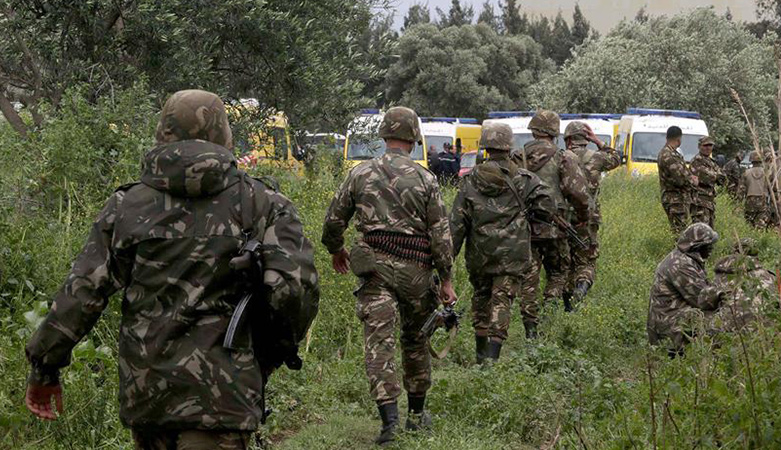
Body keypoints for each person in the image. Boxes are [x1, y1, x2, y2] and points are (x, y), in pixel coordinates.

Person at [24, 90, 320, 449]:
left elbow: (83, 291)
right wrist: (268, 357)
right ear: (224, 135)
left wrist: (45, 367)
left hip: (149, 394)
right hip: (225, 394)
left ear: (163, 132)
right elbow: (294, 292)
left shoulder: (126, 205)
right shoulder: (263, 203)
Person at [321, 106, 457, 445]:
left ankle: (389, 423)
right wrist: (446, 279)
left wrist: (337, 249)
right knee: (416, 340)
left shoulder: (360, 173)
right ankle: (416, 417)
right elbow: (441, 236)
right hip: (417, 274)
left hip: (374, 272)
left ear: (384, 135)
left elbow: (333, 220)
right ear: (414, 138)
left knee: (379, 342)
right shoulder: (426, 179)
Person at [450, 122, 556, 363]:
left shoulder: (469, 181)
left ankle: (480, 357)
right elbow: (548, 206)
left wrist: (447, 260)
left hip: (480, 253)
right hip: (512, 254)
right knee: (502, 301)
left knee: (481, 298)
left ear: (485, 147)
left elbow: (457, 223)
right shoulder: (524, 179)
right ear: (509, 146)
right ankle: (492, 358)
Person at [513, 110, 591, 337]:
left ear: (533, 130)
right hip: (556, 229)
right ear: (555, 132)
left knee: (529, 278)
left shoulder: (517, 157)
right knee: (558, 273)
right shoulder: (564, 157)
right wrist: (582, 217)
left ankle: (530, 329)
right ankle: (549, 313)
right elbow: (578, 193)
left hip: (525, 229)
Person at [562, 121, 621, 304]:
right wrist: (599, 141)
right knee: (587, 261)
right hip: (588, 219)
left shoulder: (561, 158)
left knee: (566, 262)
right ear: (586, 139)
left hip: (563, 219)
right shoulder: (596, 158)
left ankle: (566, 303)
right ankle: (581, 288)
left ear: (568, 139)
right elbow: (617, 158)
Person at [647, 223, 725, 353]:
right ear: (697, 246)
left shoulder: (684, 258)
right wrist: (728, 295)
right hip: (670, 328)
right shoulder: (681, 265)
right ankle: (713, 359)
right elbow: (703, 300)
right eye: (708, 245)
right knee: (722, 320)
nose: (711, 249)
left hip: (671, 320)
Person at [709, 238, 776, 334]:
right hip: (764, 330)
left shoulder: (721, 276)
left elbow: (705, 302)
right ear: (756, 253)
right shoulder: (769, 276)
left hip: (730, 330)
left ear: (734, 252)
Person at [657, 126, 698, 234]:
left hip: (677, 199)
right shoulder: (668, 155)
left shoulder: (671, 153)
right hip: (675, 199)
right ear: (679, 139)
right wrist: (692, 180)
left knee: (680, 231)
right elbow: (680, 179)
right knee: (680, 233)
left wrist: (688, 176)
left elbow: (681, 172)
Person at [689, 136, 726, 229]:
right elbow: (707, 177)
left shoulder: (711, 162)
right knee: (701, 231)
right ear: (699, 146)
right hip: (700, 202)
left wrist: (718, 176)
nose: (708, 148)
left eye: (710, 145)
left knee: (709, 231)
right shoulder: (697, 161)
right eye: (705, 145)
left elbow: (723, 178)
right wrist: (717, 175)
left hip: (709, 203)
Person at [738, 152, 771, 229]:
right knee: (761, 224)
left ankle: (750, 234)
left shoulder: (746, 173)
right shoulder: (767, 173)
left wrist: (738, 204)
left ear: (751, 160)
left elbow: (741, 190)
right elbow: (772, 188)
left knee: (749, 224)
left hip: (750, 201)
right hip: (763, 201)